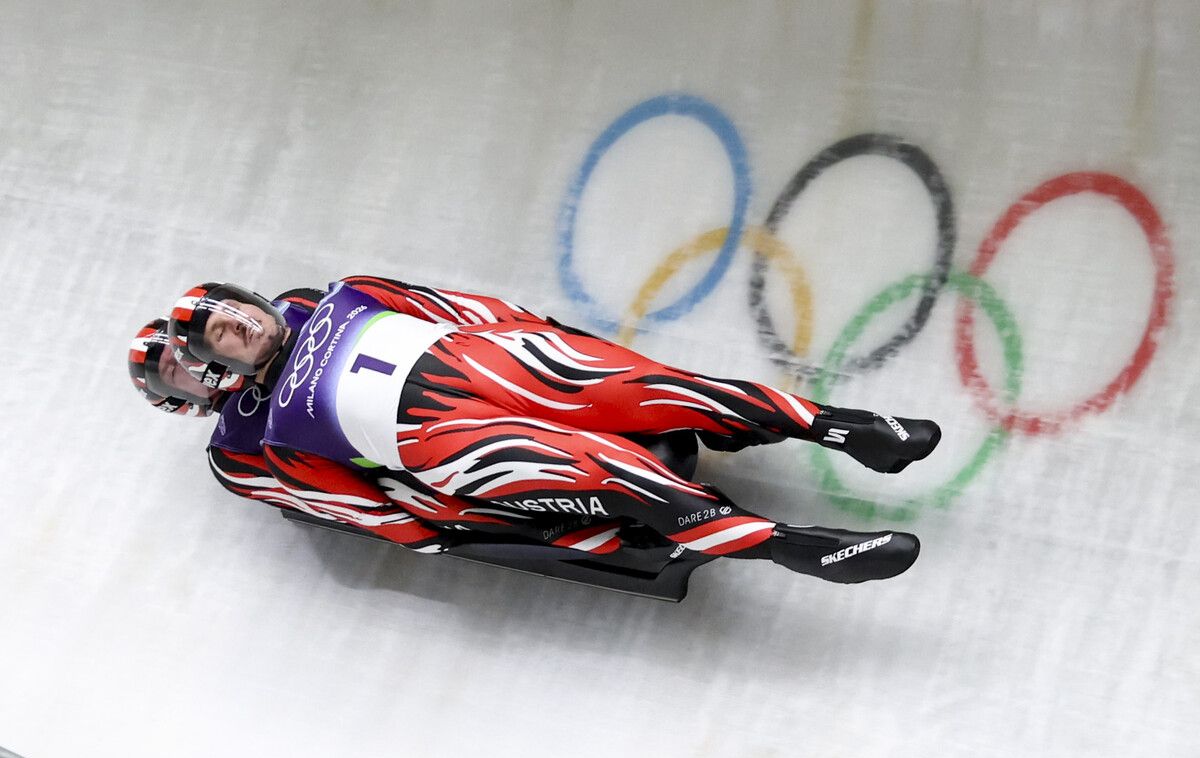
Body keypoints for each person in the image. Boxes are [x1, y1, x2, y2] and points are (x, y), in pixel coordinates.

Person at [162, 275, 940, 584]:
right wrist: (448, 528)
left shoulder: (339, 294)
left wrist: (535, 329)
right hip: (443, 444)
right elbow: (366, 507)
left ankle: (850, 430)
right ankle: (796, 544)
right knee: (616, 474)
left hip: (488, 361)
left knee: (665, 389)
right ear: (221, 364)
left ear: (252, 298)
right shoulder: (272, 438)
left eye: (233, 310)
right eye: (221, 335)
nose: (238, 325)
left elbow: (452, 306)